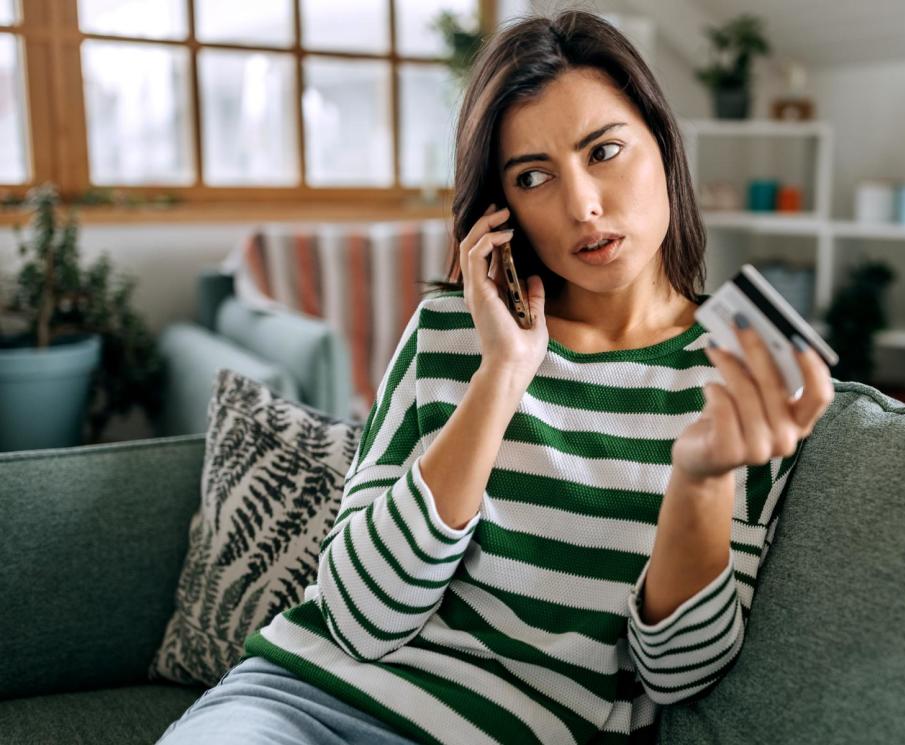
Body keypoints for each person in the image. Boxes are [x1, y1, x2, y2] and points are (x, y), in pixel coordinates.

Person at [158, 9, 833, 745]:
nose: (582, 205)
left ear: (663, 147)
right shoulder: (453, 333)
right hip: (294, 705)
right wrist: (503, 374)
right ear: (503, 207)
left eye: (604, 150)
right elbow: (358, 614)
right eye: (534, 176)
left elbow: (675, 674)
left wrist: (699, 479)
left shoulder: (744, 369)